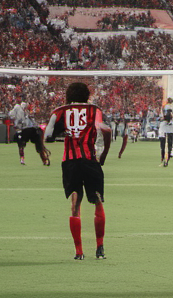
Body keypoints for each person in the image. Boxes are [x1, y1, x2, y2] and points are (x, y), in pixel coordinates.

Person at [44, 81, 111, 260]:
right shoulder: (95, 110)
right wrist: (103, 154)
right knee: (97, 200)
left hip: (71, 162)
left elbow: (48, 136)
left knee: (75, 204)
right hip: (90, 161)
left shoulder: (59, 111)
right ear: (86, 95)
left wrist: (64, 133)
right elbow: (104, 129)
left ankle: (79, 252)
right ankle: (100, 248)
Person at [9, 98, 50, 167]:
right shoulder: (19, 108)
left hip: (28, 129)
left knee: (24, 144)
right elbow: (11, 115)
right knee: (23, 144)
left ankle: (43, 159)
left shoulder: (24, 110)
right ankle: (43, 159)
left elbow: (11, 115)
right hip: (27, 129)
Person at [157, 97, 173, 167]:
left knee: (164, 145)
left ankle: (164, 160)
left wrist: (163, 118)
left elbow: (168, 115)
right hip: (169, 128)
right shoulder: (169, 107)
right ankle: (166, 159)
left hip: (165, 127)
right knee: (169, 145)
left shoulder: (167, 107)